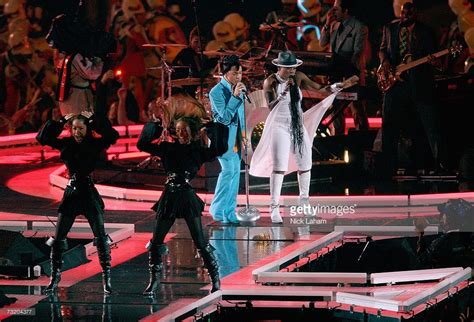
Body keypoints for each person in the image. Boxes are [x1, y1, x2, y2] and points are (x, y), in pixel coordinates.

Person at [137, 117, 224, 295]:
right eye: (178, 129)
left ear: (191, 132)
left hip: (186, 196)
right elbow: (142, 145)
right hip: (169, 196)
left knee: (199, 241)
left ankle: (215, 278)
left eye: (185, 130)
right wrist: (154, 126)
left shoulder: (197, 151)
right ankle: (154, 281)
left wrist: (213, 127)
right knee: (156, 242)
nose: (182, 133)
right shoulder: (167, 148)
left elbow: (220, 149)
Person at [36, 111, 119, 295]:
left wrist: (94, 120)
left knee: (101, 238)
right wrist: (61, 121)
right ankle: (54, 277)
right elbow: (42, 137)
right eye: (74, 128)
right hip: (72, 193)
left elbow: (112, 136)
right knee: (58, 240)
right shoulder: (66, 144)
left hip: (88, 192)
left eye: (80, 128)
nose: (77, 132)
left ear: (87, 128)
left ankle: (107, 278)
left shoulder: (95, 143)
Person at [249, 50, 331, 224]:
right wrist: (282, 94)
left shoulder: (298, 77)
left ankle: (304, 202)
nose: (292, 71)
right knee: (279, 166)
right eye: (288, 68)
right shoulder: (270, 81)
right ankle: (274, 207)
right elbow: (271, 106)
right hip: (279, 124)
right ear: (279, 67)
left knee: (305, 162)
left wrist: (335, 88)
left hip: (297, 124)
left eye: (294, 68)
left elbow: (319, 88)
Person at [378, 2, 445, 175]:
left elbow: (437, 60)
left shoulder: (426, 32)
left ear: (416, 13)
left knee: (429, 126)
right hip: (394, 85)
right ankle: (387, 168)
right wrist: (384, 62)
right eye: (403, 12)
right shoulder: (389, 28)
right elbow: (382, 50)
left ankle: (439, 165)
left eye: (410, 12)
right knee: (389, 127)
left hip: (419, 85)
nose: (406, 14)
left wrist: (435, 63)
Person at [320, 0, 369, 135]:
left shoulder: (360, 28)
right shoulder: (334, 26)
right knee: (335, 109)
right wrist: (327, 23)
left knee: (357, 110)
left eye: (336, 9)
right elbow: (322, 43)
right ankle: (338, 141)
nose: (333, 12)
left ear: (345, 11)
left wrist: (347, 74)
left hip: (352, 76)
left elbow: (357, 54)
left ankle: (363, 141)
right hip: (335, 76)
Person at [208, 55, 246, 224]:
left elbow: (242, 116)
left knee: (235, 174)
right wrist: (235, 98)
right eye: (235, 74)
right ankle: (217, 209)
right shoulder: (216, 92)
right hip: (222, 139)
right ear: (225, 73)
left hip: (236, 139)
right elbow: (224, 118)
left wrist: (245, 136)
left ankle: (229, 212)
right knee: (228, 171)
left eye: (240, 74)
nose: (238, 77)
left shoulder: (238, 89)